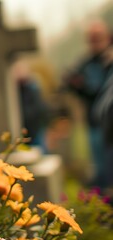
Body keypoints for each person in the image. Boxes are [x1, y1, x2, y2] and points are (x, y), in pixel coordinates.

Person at [64, 19, 113, 189]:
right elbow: (74, 83)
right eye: (92, 39)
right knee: (101, 168)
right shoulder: (86, 62)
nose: (95, 43)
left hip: (110, 121)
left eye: (98, 38)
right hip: (94, 123)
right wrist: (78, 86)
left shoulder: (109, 60)